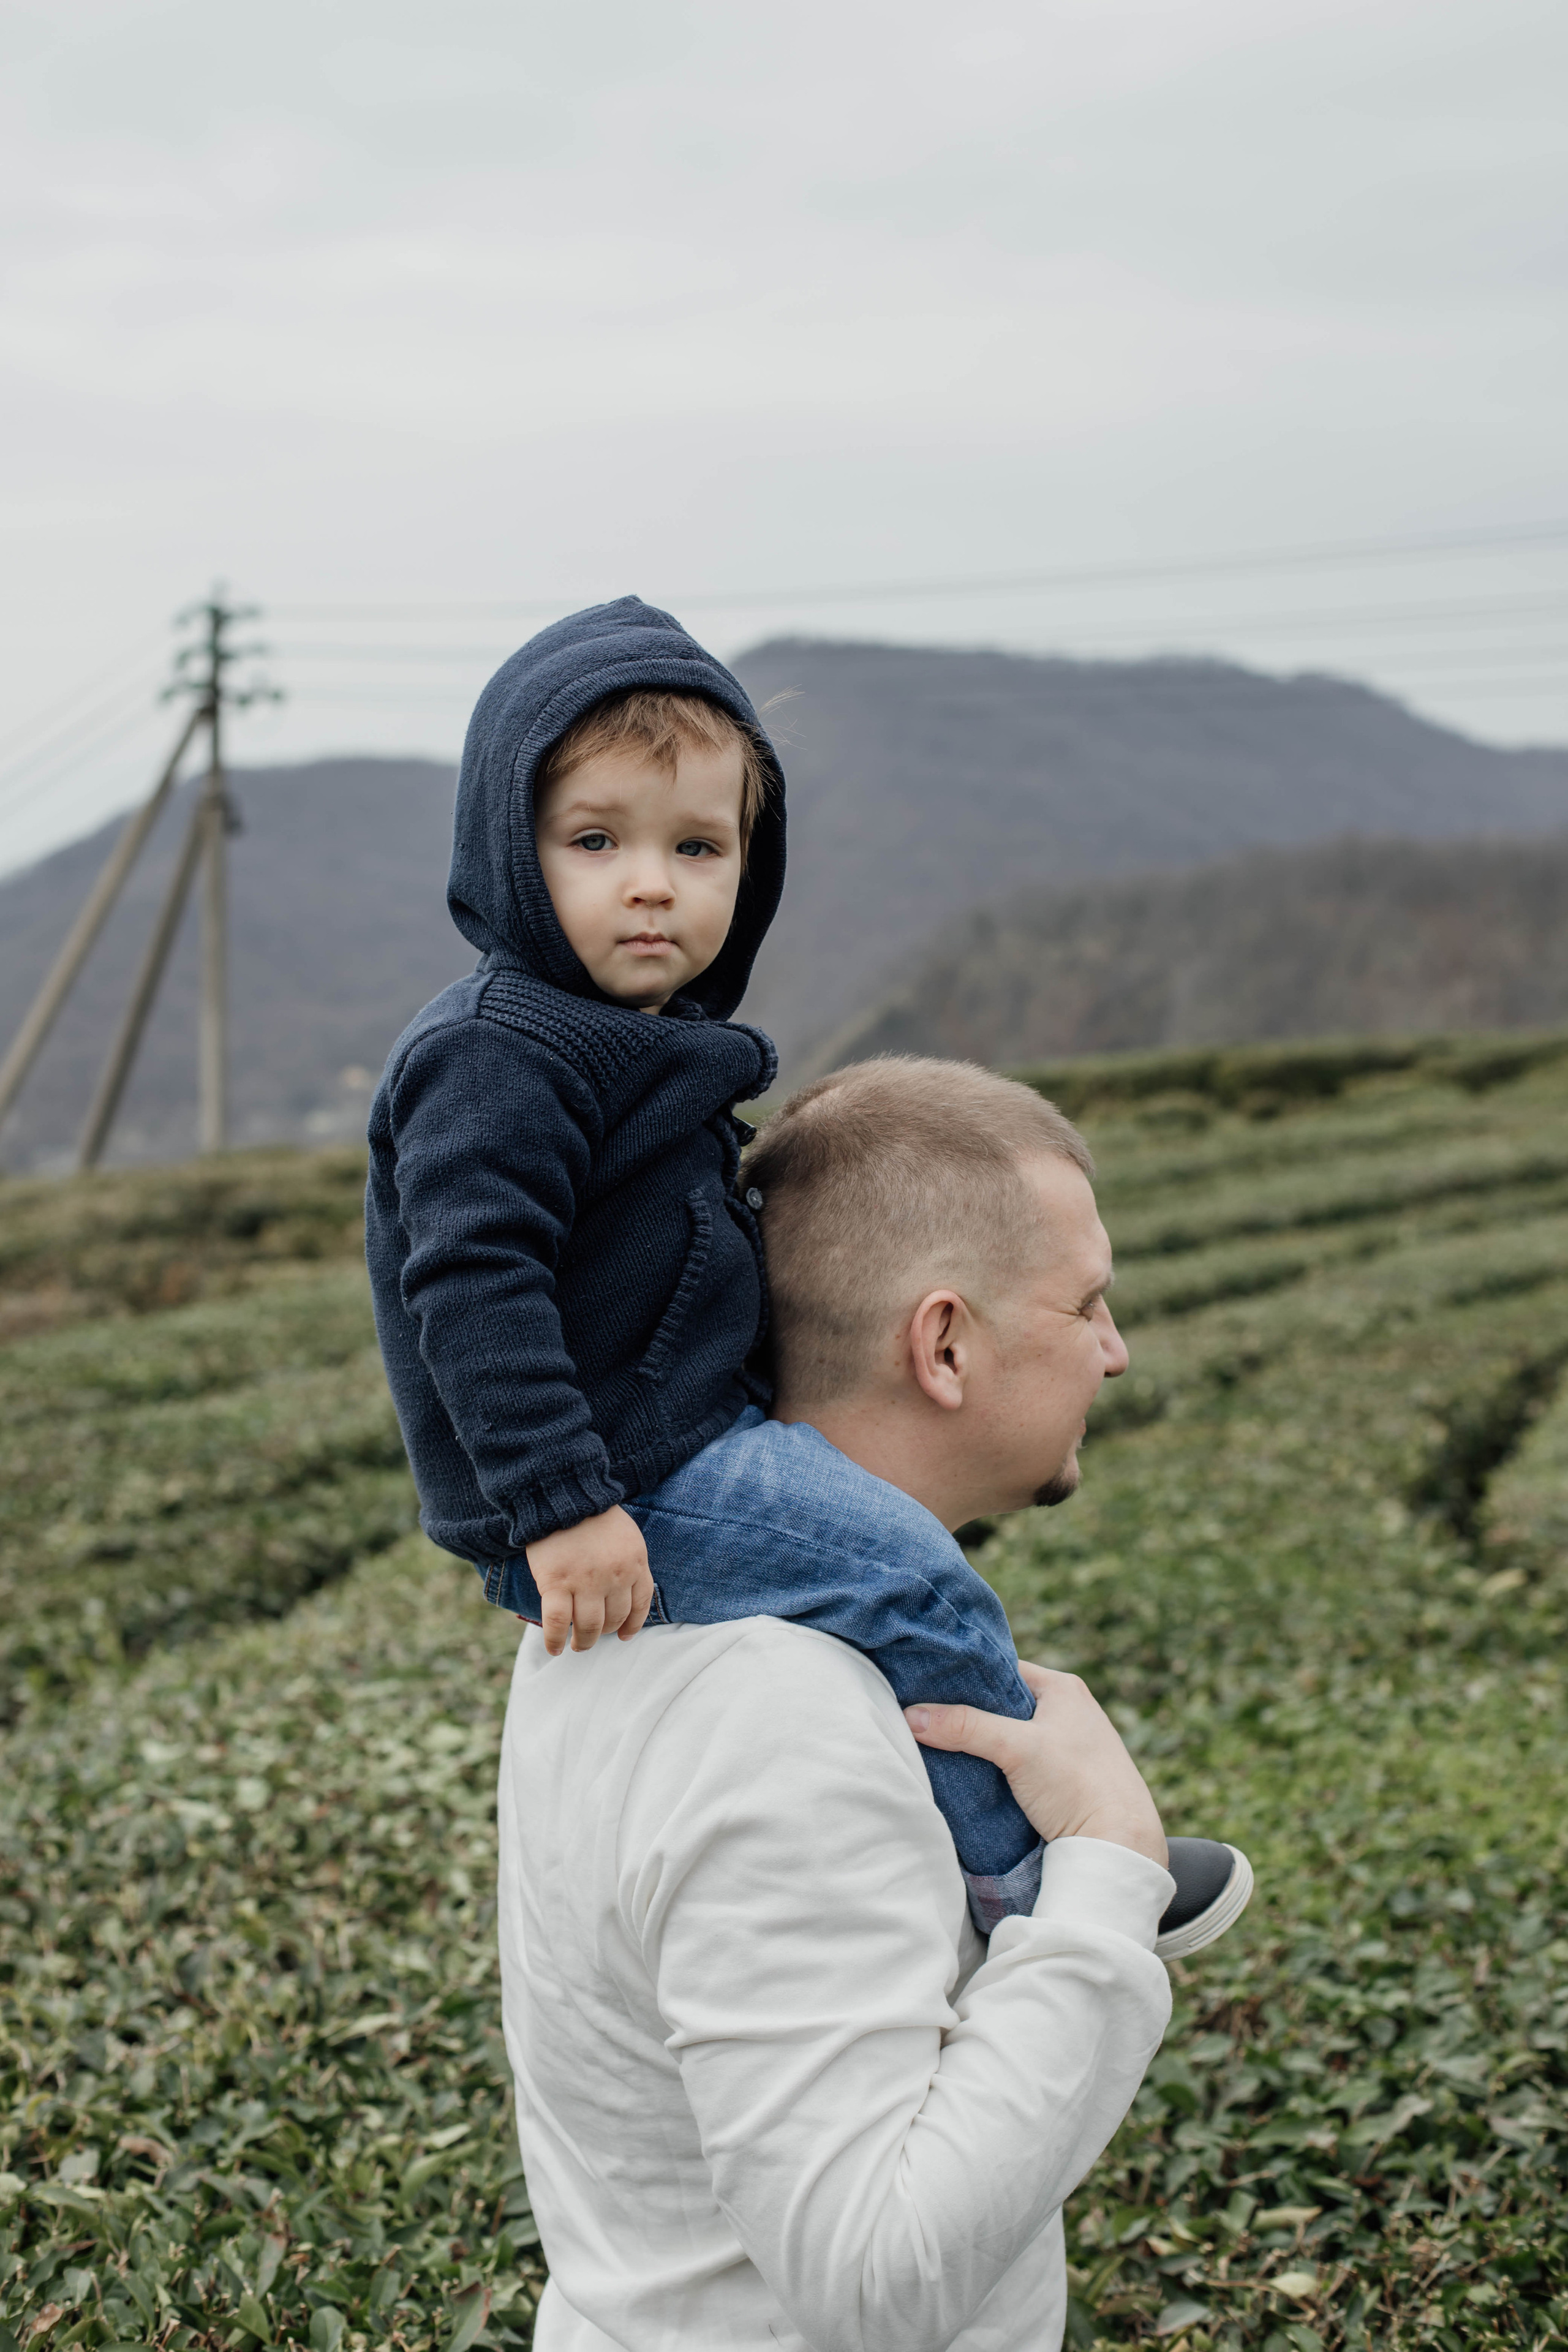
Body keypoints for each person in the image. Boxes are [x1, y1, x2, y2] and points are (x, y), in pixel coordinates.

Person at [367, 595, 1246, 1946]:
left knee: (876, 1567)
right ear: (508, 848)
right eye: (595, 841)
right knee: (906, 1574)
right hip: (621, 1474)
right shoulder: (497, 1052)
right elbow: (471, 1280)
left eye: (696, 846)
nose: (651, 883)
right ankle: (1023, 1888)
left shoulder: (632, 1038)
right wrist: (564, 1505)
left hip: (667, 1438)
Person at [494, 1064, 1185, 2348]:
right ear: (943, 1345)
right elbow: (873, 2280)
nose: (1114, 1348)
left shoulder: (632, 1607)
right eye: (1086, 1302)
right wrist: (1104, 1874)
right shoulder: (783, 1716)